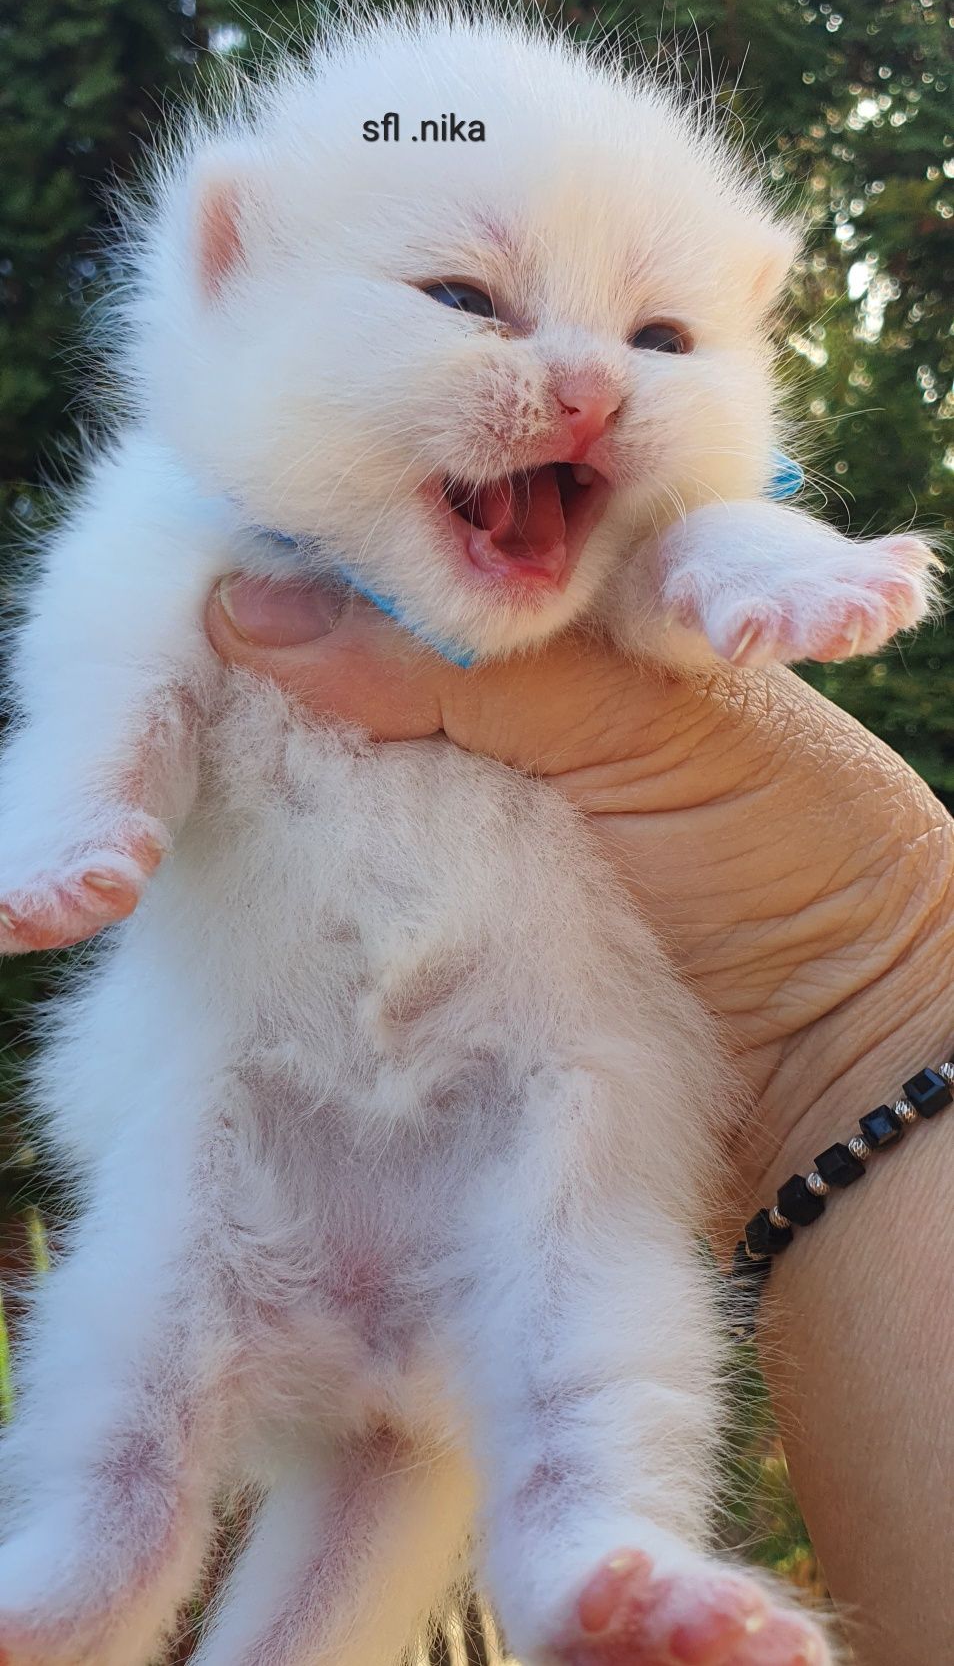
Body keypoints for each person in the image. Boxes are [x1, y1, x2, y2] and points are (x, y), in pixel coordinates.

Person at [208, 569, 954, 1666]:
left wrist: (885, 987)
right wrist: (883, 989)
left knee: (585, 1237)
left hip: (518, 1079)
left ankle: (589, 1545)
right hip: (286, 1092)